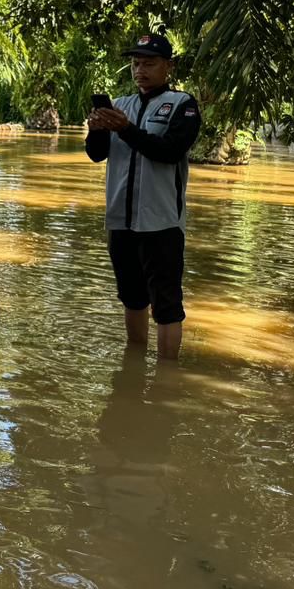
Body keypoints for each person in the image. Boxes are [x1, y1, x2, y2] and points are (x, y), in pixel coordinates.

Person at [86, 33, 201, 360]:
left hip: (161, 222)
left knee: (166, 304)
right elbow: (97, 154)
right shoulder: (121, 105)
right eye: (136, 63)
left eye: (149, 63)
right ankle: (133, 365)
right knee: (132, 297)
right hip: (120, 220)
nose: (140, 70)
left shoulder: (183, 105)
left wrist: (125, 129)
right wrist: (96, 129)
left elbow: (169, 151)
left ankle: (167, 376)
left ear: (168, 66)